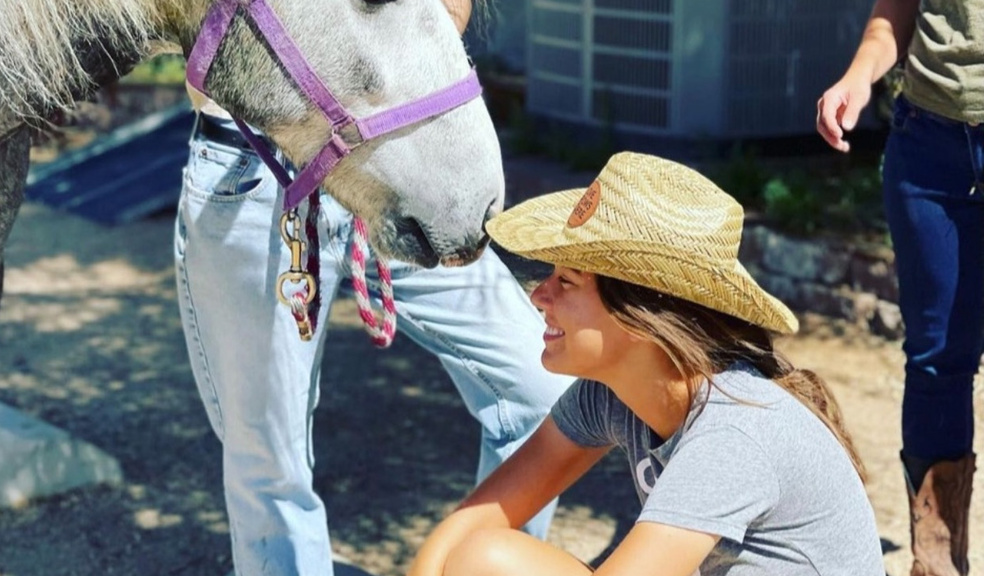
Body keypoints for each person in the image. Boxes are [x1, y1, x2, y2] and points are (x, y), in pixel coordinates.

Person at [173, 1, 573, 574]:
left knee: (541, 384)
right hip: (254, 168)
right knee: (270, 461)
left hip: (389, 155)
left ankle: (480, 562)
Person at [407, 152, 885, 576]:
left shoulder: (732, 433)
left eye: (567, 282)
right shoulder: (610, 395)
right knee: (478, 555)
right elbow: (470, 523)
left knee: (490, 560)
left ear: (638, 317)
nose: (539, 296)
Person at [816, 1, 980, 573]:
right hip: (928, 145)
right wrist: (859, 76)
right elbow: (896, 12)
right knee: (937, 360)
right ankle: (936, 561)